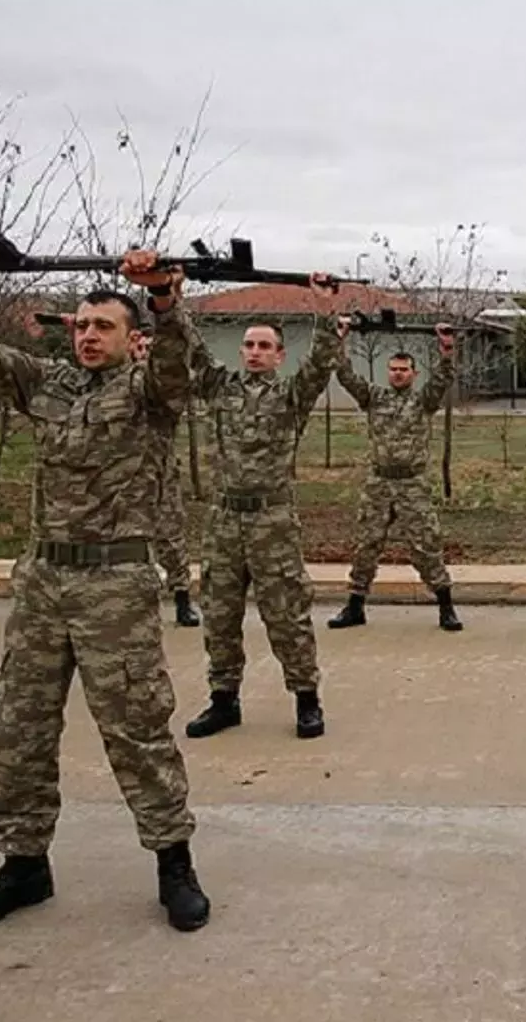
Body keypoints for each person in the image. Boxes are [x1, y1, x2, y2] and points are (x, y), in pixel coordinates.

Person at [0, 246, 212, 934]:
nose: (89, 335)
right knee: (21, 730)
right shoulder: (46, 384)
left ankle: (173, 863)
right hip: (43, 583)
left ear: (129, 338)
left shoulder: (151, 392)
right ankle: (24, 862)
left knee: (137, 729)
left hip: (115, 585)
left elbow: (180, 362)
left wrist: (162, 299)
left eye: (104, 327)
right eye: (82, 325)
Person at [180, 304, 345, 741]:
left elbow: (320, 364)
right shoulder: (219, 388)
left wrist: (325, 314)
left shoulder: (290, 395)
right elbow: (191, 347)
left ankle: (307, 698)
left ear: (279, 355)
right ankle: (223, 700)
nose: (255, 352)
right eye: (249, 345)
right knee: (219, 614)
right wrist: (170, 297)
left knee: (287, 613)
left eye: (264, 346)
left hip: (272, 521)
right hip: (224, 520)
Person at [325, 327, 461, 631]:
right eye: (394, 369)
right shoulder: (374, 397)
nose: (398, 374)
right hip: (379, 484)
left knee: (426, 545)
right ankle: (355, 607)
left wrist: (447, 351)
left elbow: (442, 380)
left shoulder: (422, 401)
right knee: (366, 545)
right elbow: (346, 376)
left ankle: (446, 607)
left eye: (404, 370)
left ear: (414, 373)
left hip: (412, 485)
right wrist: (341, 341)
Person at [132, 332, 201, 628]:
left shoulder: (164, 385)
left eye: (151, 348)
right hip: (125, 477)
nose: (145, 352)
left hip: (160, 473)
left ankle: (182, 598)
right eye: (141, 347)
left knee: (171, 539)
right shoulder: (118, 381)